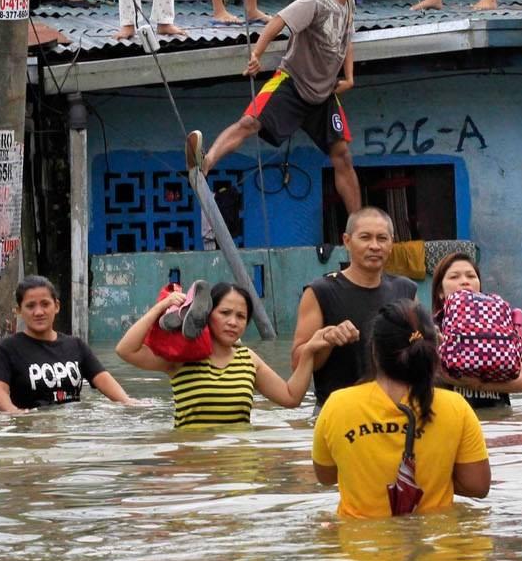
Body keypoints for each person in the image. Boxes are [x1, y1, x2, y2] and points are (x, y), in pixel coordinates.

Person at [188, 0, 364, 216]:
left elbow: (347, 38)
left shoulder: (348, 2)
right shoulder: (316, 0)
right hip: (291, 82)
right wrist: (256, 54)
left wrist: (350, 77)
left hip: (323, 94)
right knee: (249, 123)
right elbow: (277, 22)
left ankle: (359, 223)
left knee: (342, 156)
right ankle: (206, 163)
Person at [312, 300, 491, 517]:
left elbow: (326, 477)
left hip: (358, 547)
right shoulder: (455, 407)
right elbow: (477, 486)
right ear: (431, 348)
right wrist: (437, 471)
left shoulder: (337, 405)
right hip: (438, 546)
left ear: (375, 350)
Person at [115, 282, 358, 427]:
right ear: (207, 313)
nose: (233, 322)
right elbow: (125, 350)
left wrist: (310, 351)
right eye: (225, 313)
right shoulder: (181, 359)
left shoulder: (247, 359)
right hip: (191, 461)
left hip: (239, 460)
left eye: (240, 317)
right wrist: (161, 307)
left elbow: (291, 397)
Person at [290, 207, 419, 408]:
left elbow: (421, 355)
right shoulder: (321, 291)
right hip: (337, 409)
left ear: (392, 243)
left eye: (382, 239)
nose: (374, 246)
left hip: (394, 409)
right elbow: (298, 364)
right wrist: (327, 340)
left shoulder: (405, 290)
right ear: (347, 241)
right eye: (365, 238)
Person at [0, 276, 137, 413]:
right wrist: (15, 413)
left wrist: (128, 402)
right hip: (31, 429)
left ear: (57, 306)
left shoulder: (76, 345)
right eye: (30, 306)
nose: (39, 312)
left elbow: (103, 378)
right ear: (19, 311)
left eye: (45, 304)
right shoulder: (8, 348)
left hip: (70, 430)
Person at [428, 252, 522, 410]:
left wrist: (477, 384)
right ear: (440, 292)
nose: (465, 282)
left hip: (498, 419)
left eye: (471, 276)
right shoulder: (430, 328)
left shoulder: (501, 323)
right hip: (452, 417)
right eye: (454, 277)